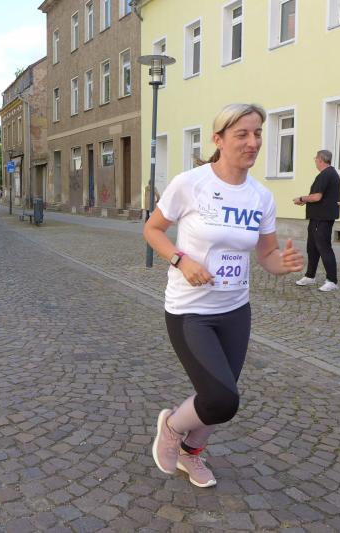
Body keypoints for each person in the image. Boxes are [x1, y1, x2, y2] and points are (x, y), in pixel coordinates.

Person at [143, 103, 304, 488]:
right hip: (189, 310)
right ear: (218, 140)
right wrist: (181, 260)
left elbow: (266, 253)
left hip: (235, 310)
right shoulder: (190, 183)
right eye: (242, 134)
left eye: (258, 133)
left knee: (220, 395)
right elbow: (152, 229)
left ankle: (191, 453)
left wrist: (281, 264)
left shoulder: (261, 196)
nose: (253, 142)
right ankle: (172, 427)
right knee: (221, 398)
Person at [293, 150, 340, 292]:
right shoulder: (328, 173)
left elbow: (317, 197)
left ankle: (332, 280)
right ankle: (310, 276)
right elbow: (318, 196)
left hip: (322, 218)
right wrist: (306, 201)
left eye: (315, 158)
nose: (315, 161)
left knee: (324, 248)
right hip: (317, 218)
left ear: (320, 159)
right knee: (312, 248)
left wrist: (302, 198)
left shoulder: (326, 174)